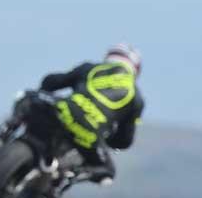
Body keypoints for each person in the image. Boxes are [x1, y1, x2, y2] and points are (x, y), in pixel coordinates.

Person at [34, 43, 145, 186]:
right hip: (90, 136)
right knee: (107, 171)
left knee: (30, 102)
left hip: (63, 111)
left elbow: (51, 82)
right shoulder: (136, 99)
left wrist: (45, 91)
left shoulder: (89, 68)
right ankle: (64, 177)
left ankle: (4, 137)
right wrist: (108, 139)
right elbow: (124, 140)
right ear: (135, 69)